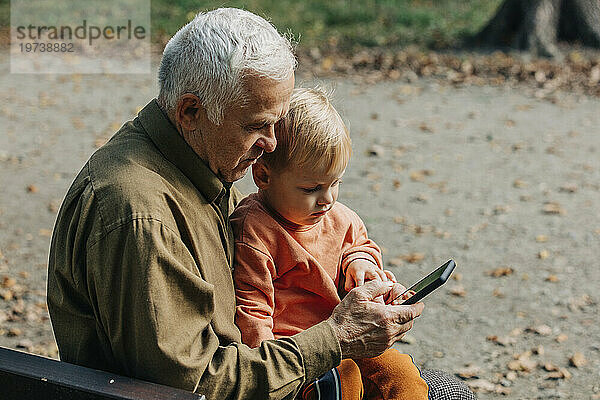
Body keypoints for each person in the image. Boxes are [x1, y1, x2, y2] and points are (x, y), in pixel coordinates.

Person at [46, 8, 428, 400]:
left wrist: (351, 269)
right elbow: (192, 386)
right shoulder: (140, 215)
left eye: (275, 123)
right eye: (255, 126)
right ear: (191, 112)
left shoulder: (201, 162)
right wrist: (336, 339)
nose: (272, 144)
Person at [231, 87, 430, 400]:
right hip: (297, 354)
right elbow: (252, 312)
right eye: (312, 188)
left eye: (335, 183)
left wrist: (361, 266)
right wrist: (270, 380)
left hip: (354, 335)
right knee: (343, 380)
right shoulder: (255, 231)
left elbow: (359, 245)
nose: (327, 199)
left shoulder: (339, 217)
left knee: (401, 375)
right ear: (263, 176)